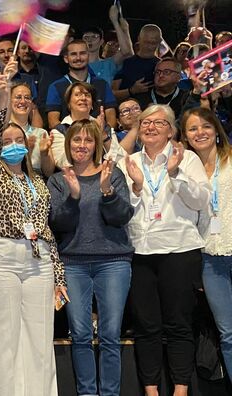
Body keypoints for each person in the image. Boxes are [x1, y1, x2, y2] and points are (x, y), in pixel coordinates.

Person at [0, 59, 67, 396]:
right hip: (0, 257)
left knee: (40, 340)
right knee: (5, 342)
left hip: (39, 260)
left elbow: (45, 230)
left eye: (20, 138)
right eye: (7, 138)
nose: (14, 141)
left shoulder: (39, 181)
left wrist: (58, 276)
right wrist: (3, 96)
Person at [122, 104, 211, 396]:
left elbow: (201, 202)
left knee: (179, 324)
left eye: (158, 123)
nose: (149, 127)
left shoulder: (187, 160)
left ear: (171, 130)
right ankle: (151, 390)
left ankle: (181, 390)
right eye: (145, 122)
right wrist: (136, 187)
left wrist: (175, 174)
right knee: (146, 326)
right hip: (140, 251)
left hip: (180, 250)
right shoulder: (129, 161)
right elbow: (121, 212)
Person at [47, 119, 134, 396]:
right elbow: (58, 223)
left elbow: (121, 217)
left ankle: (109, 393)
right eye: (76, 140)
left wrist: (107, 190)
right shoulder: (59, 179)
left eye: (88, 140)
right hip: (73, 265)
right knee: (81, 335)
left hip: (113, 262)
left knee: (109, 335)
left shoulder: (113, 173)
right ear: (68, 144)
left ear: (96, 144)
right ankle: (87, 392)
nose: (82, 145)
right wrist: (73, 196)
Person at [180, 107, 232, 377]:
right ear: (185, 136)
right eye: (192, 128)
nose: (200, 132)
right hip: (210, 258)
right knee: (228, 334)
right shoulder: (186, 167)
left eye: (205, 126)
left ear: (216, 130)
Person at [45, 39, 117, 129]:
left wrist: (101, 135)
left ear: (88, 56)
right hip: (68, 139)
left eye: (82, 53)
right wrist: (73, 136)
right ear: (66, 58)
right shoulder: (55, 86)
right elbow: (53, 122)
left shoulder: (102, 84)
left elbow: (112, 120)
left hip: (99, 138)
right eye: (73, 54)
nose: (78, 58)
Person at [9, 82, 58, 178]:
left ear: (31, 104)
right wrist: (28, 150)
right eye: (18, 97)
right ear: (8, 102)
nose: (23, 101)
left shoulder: (41, 134)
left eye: (27, 98)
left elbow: (49, 173)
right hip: (9, 180)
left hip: (37, 182)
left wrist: (44, 154)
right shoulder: (2, 132)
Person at [82, 5, 134, 84]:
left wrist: (115, 22)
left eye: (94, 36)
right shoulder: (75, 64)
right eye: (86, 37)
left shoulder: (108, 64)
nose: (89, 40)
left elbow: (127, 52)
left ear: (101, 41)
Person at [111, 24, 162, 102]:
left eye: (153, 43)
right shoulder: (126, 63)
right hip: (127, 110)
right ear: (139, 39)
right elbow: (111, 94)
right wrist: (131, 91)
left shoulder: (162, 66)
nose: (149, 47)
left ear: (159, 42)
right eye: (146, 42)